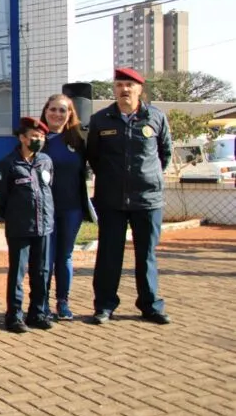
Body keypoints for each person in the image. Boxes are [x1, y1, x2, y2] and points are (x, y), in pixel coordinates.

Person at [87, 68, 173, 325]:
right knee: (109, 254)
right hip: (111, 200)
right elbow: (94, 156)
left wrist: (147, 177)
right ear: (114, 89)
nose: (124, 89)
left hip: (147, 200)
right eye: (119, 85)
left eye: (129, 85)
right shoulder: (101, 120)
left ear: (140, 90)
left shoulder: (155, 117)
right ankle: (104, 306)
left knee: (146, 254)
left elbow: (164, 154)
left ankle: (150, 306)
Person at [0, 117, 55, 333]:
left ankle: (38, 312)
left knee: (42, 271)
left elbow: (48, 188)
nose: (38, 140)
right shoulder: (7, 163)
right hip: (20, 227)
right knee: (18, 273)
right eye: (33, 137)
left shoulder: (46, 161)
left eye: (41, 137)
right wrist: (12, 216)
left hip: (44, 225)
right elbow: (0, 198)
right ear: (22, 138)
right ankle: (14, 316)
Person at [39, 94, 93, 320]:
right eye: (53, 109)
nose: (57, 114)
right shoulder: (37, 138)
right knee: (46, 257)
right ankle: (41, 303)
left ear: (70, 114)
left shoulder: (78, 141)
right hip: (43, 209)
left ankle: (63, 302)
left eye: (63, 110)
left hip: (71, 208)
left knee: (65, 256)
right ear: (46, 111)